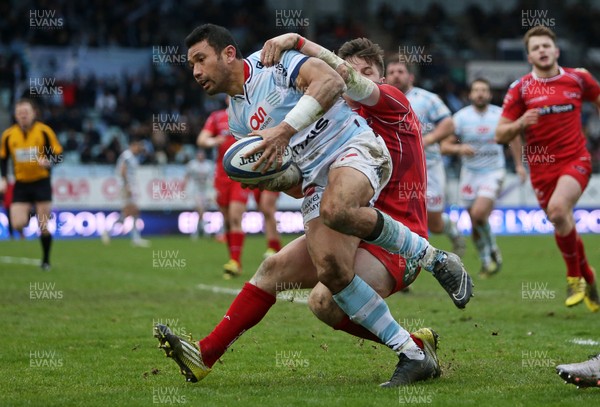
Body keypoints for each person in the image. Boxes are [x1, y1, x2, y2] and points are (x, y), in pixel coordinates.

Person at [155, 25, 471, 387]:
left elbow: (335, 81)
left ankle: (435, 259)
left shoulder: (286, 67)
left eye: (200, 59)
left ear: (228, 54)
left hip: (367, 182)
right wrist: (271, 177)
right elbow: (295, 185)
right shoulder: (239, 119)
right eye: (190, 64)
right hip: (325, 190)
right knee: (303, 280)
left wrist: (287, 115)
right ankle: (204, 355)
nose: (195, 71)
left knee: (337, 212)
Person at [495, 25, 600, 312]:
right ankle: (590, 278)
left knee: (557, 211)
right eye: (535, 48)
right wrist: (520, 124)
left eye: (546, 46)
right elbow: (500, 134)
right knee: (561, 219)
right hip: (542, 169)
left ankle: (574, 278)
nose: (542, 51)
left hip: (576, 160)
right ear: (529, 56)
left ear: (556, 51)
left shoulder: (579, 79)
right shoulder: (520, 89)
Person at [442, 78, 525, 277]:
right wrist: (459, 148)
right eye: (476, 90)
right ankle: (486, 260)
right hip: (469, 174)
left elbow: (514, 137)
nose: (480, 94)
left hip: (493, 172)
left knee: (479, 214)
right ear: (470, 95)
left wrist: (519, 165)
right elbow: (444, 146)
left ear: (489, 94)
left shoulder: (500, 115)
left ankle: (493, 250)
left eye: (484, 90)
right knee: (475, 221)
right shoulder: (460, 118)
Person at [386, 57, 466, 257]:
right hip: (396, 170)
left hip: (428, 167)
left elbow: (449, 124)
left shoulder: (427, 99)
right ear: (385, 77)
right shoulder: (381, 99)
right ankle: (401, 265)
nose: (396, 75)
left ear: (410, 76)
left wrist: (428, 140)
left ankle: (452, 230)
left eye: (400, 71)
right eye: (392, 72)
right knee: (399, 219)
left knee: (434, 222)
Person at [197, 105, 282, 278]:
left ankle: (238, 261)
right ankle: (234, 259)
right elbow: (202, 139)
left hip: (242, 173)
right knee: (227, 220)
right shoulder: (216, 117)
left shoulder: (251, 114)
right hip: (221, 175)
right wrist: (214, 141)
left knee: (238, 216)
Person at [0, 99, 63, 270]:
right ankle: (32, 212)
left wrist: (49, 161)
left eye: (26, 112)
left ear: (34, 113)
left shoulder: (44, 132)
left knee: (43, 226)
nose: (23, 115)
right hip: (21, 184)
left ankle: (46, 260)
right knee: (17, 224)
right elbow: (3, 158)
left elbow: (59, 155)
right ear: (16, 115)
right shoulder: (8, 135)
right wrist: (4, 178)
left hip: (41, 183)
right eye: (20, 112)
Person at [101, 137, 150, 247]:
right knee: (133, 211)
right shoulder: (127, 156)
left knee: (130, 213)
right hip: (126, 187)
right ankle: (134, 238)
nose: (139, 149)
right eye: (138, 147)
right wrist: (127, 185)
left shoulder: (131, 157)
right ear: (132, 146)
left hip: (129, 186)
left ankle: (112, 232)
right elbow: (123, 171)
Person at [183, 149, 212, 240]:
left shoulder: (209, 165)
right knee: (200, 209)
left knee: (202, 211)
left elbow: (212, 178)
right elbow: (187, 176)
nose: (200, 157)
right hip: (196, 190)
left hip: (205, 190)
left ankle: (197, 230)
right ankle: (201, 231)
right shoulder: (192, 165)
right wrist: (184, 188)